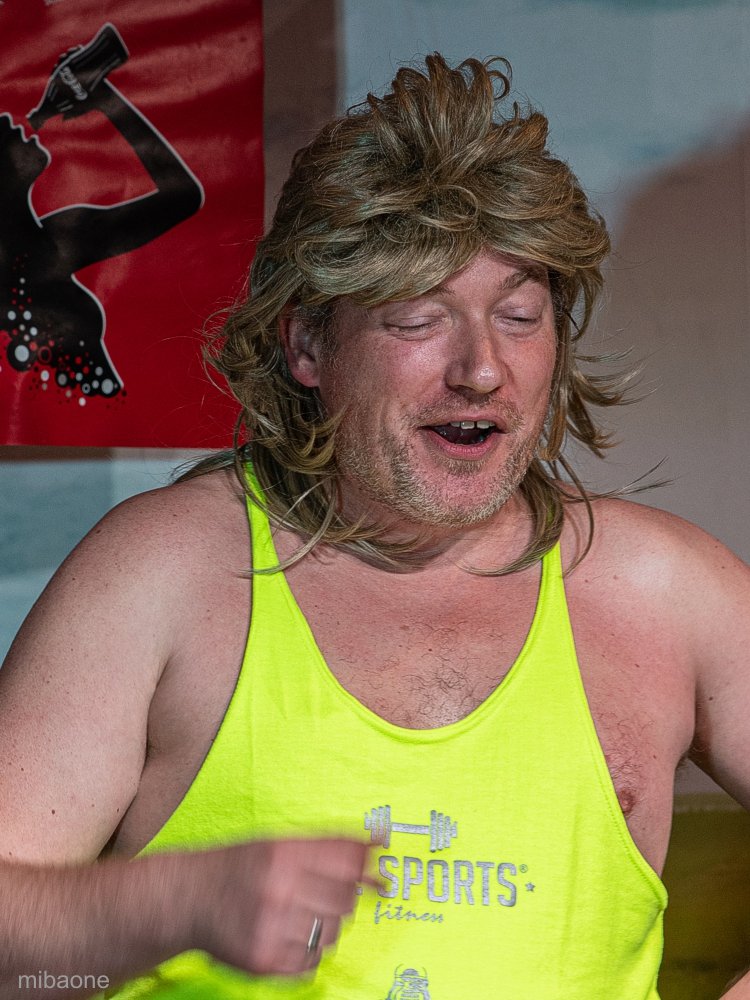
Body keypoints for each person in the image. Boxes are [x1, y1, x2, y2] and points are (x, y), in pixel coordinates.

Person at [0, 52, 747, 1000]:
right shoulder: (160, 573)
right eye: (419, 319)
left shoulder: (666, 590)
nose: (482, 369)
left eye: (520, 315)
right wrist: (171, 906)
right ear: (308, 343)